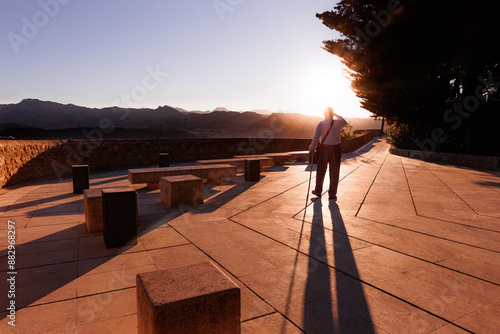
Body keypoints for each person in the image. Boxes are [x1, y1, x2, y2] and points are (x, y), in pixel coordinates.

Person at [309, 107, 347, 200]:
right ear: (332, 113)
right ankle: (332, 194)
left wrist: (312, 147)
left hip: (324, 149)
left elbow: (316, 137)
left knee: (321, 170)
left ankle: (318, 191)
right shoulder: (337, 123)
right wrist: (337, 115)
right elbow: (345, 122)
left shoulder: (321, 124)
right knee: (334, 171)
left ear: (324, 114)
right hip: (336, 149)